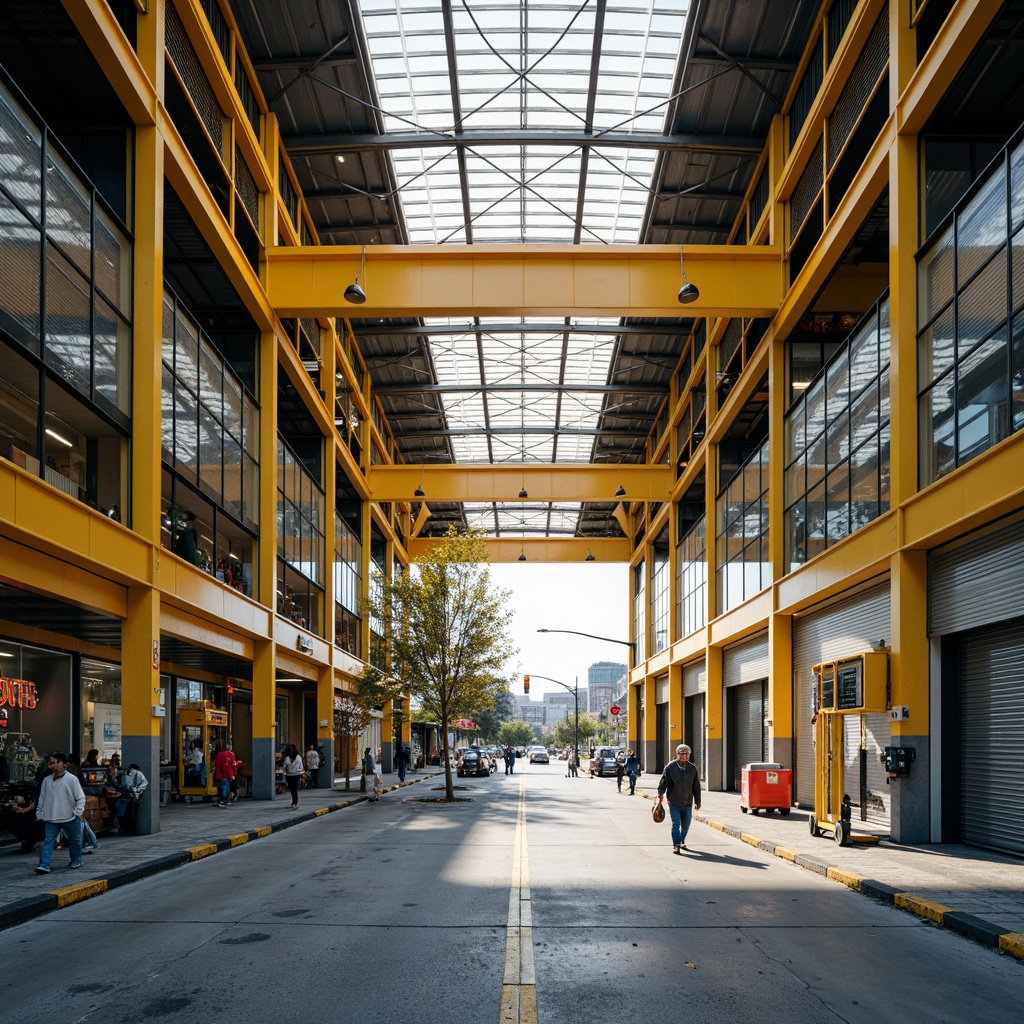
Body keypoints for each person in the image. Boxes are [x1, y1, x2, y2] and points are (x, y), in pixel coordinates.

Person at [34, 752, 85, 873]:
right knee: (48, 841)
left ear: (64, 764)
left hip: (70, 817)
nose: (53, 765)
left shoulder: (72, 779)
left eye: (56, 762)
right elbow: (42, 798)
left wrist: (77, 811)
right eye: (51, 762)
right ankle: (44, 864)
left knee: (75, 840)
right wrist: (39, 812)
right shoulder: (46, 780)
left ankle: (76, 860)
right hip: (51, 817)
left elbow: (80, 797)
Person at [656, 743, 702, 854]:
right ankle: (676, 845)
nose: (684, 755)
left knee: (686, 825)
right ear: (677, 754)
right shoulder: (670, 767)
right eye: (681, 753)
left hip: (687, 802)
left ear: (689, 755)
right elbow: (663, 782)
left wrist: (698, 800)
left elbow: (696, 786)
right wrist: (660, 794)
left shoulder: (692, 768)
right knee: (675, 823)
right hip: (674, 801)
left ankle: (682, 840)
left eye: (686, 753)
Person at [116, 763, 148, 836]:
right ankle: (130, 830)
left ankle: (125, 830)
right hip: (132, 797)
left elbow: (123, 785)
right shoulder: (137, 773)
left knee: (126, 815)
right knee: (132, 815)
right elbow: (143, 783)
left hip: (126, 796)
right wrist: (137, 792)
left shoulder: (126, 773)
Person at [282, 744, 303, 809]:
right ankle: (295, 803)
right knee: (294, 789)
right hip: (296, 775)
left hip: (289, 776)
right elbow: (301, 767)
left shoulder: (287, 759)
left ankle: (295, 803)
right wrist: (297, 770)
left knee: (292, 789)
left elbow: (284, 768)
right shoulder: (299, 758)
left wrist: (285, 774)